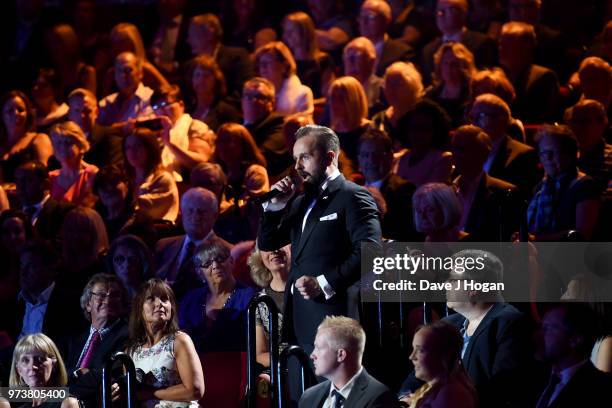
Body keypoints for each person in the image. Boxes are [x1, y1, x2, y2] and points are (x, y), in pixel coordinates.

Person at [258, 124, 381, 356]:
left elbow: (371, 252)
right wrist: (274, 208)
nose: (297, 166)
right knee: (303, 392)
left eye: (304, 157)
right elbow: (268, 243)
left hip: (335, 323)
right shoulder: (300, 201)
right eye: (295, 158)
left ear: (329, 157)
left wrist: (324, 283)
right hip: (300, 323)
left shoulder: (352, 195)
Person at [122, 278, 204, 407]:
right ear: (140, 308)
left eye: (165, 299)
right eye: (151, 299)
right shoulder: (130, 352)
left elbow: (195, 390)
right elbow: (130, 395)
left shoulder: (180, 340)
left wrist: (150, 393)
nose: (159, 304)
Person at [299, 316, 398, 407]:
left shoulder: (379, 397)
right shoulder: (308, 397)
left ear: (341, 355)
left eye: (318, 348)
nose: (312, 355)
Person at [65, 274, 129, 408]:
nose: (108, 300)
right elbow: (58, 370)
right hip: (57, 396)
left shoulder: (127, 335)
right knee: (13, 395)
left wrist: (57, 393)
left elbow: (105, 373)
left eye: (114, 295)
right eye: (101, 295)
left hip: (88, 402)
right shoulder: (73, 338)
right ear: (88, 304)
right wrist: (78, 372)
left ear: (122, 304)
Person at [179, 240, 255, 353]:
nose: (215, 266)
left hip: (236, 364)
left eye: (220, 259)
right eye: (207, 263)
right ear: (199, 272)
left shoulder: (250, 297)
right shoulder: (190, 299)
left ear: (231, 261)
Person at [155, 187, 231, 301]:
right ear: (182, 213)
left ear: (215, 216)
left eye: (202, 212)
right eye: (190, 211)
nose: (196, 217)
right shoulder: (164, 246)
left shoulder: (228, 252)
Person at [528, 125, 601, 241]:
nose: (548, 158)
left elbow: (581, 235)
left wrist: (536, 239)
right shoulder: (540, 187)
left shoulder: (585, 185)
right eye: (543, 153)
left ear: (570, 153)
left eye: (553, 152)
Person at [450, 125, 521, 241]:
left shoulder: (504, 192)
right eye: (455, 148)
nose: (457, 155)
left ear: (484, 153)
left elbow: (503, 238)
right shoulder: (444, 189)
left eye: (464, 149)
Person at [536, 302, 612, 407]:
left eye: (547, 329)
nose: (537, 335)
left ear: (575, 340)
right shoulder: (534, 378)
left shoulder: (598, 389)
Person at [469, 93, 540, 198]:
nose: (474, 123)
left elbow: (520, 198)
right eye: (472, 117)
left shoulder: (523, 155)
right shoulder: (468, 151)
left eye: (481, 116)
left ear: (501, 119)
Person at [357, 128, 420, 241]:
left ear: (390, 156)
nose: (372, 160)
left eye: (377, 154)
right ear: (359, 159)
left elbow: (405, 235)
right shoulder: (353, 188)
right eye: (366, 155)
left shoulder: (404, 190)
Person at [498, 21, 560, 123]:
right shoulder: (499, 76)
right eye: (500, 44)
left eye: (508, 45)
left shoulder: (543, 77)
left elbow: (541, 119)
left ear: (525, 48)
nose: (501, 49)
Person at [151, 85, 215, 181]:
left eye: (165, 104)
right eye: (156, 107)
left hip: (188, 186)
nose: (161, 110)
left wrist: (170, 144)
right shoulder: (155, 133)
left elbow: (202, 163)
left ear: (181, 105)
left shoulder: (194, 127)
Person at [421, 0, 497, 82]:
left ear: (463, 13)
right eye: (438, 10)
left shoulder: (482, 44)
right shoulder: (428, 50)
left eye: (448, 9)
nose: (440, 14)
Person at [406, 321, 477, 408]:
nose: (412, 357)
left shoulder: (450, 395)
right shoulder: (435, 389)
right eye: (413, 349)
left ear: (444, 355)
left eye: (420, 350)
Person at [186, 13, 255, 100]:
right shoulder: (191, 65)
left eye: (192, 35)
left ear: (209, 33)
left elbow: (243, 91)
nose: (188, 40)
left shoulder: (237, 57)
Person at [247, 244, 291, 367]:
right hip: (281, 373)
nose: (275, 250)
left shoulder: (309, 290)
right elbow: (260, 355)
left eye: (281, 243)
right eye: (267, 246)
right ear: (260, 257)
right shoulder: (259, 301)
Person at [123, 127, 179, 222]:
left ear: (150, 148)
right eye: (128, 147)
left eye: (138, 146)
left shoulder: (163, 178)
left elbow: (146, 209)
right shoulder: (126, 179)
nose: (132, 151)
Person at [9, 333, 79, 408]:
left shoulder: (67, 403)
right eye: (25, 360)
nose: (32, 366)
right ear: (18, 370)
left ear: (54, 364)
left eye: (40, 359)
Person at [394, 99, 453, 187]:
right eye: (414, 127)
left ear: (436, 131)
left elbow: (429, 195)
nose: (418, 134)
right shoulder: (400, 158)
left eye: (425, 128)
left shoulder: (441, 159)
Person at [14, 161, 75, 243]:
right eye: (18, 181)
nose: (20, 186)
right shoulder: (13, 212)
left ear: (45, 184)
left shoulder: (63, 212)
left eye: (27, 180)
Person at [241, 77, 291, 177]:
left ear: (272, 103)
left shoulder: (279, 124)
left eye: (260, 97)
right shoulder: (237, 123)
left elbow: (263, 158)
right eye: (248, 96)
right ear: (242, 101)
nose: (254, 100)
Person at [103, 22, 170, 96]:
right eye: (114, 42)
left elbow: (169, 93)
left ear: (132, 43)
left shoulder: (145, 68)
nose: (116, 46)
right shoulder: (111, 73)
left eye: (121, 41)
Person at [0, 90, 53, 182]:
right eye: (10, 111)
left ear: (28, 114)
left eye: (20, 110)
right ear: (2, 115)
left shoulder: (39, 139)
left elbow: (46, 176)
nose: (16, 113)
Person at [281, 11, 335, 98]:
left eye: (292, 31)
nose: (287, 35)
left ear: (305, 32)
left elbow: (328, 94)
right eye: (286, 31)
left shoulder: (323, 60)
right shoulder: (286, 62)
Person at [97, 52, 154, 133]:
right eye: (119, 71)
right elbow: (96, 132)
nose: (123, 75)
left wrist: (111, 129)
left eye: (128, 70)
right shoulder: (106, 103)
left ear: (140, 73)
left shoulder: (151, 98)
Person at [67, 88, 124, 169]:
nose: (82, 116)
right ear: (69, 114)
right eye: (77, 111)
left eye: (87, 111)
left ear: (96, 112)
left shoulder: (109, 136)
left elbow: (113, 171)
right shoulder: (62, 141)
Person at [254, 41, 314, 117]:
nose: (263, 67)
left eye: (267, 63)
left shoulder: (303, 94)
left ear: (284, 66)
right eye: (261, 63)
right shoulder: (256, 95)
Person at [565, 99, 612, 193]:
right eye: (573, 121)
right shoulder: (563, 156)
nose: (577, 127)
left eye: (584, 121)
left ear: (602, 124)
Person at [328, 76, 372, 176]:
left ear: (354, 100)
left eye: (340, 98)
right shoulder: (330, 134)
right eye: (333, 98)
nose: (335, 104)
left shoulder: (369, 131)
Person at [358, 0, 415, 77]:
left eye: (370, 17)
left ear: (386, 20)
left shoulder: (401, 53)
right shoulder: (352, 52)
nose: (364, 22)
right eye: (362, 17)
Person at [48, 121, 99, 207]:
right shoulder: (51, 178)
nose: (62, 147)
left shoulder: (92, 174)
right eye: (58, 143)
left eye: (67, 143)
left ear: (81, 145)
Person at [372, 62, 424, 143]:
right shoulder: (378, 120)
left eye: (398, 84)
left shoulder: (422, 117)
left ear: (411, 87)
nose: (391, 90)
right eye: (388, 84)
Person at [187, 54, 242, 132]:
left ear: (216, 80)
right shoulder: (187, 110)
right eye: (197, 75)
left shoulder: (226, 112)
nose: (201, 80)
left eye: (206, 76)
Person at [426, 42, 476, 127]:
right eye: (445, 63)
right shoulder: (432, 94)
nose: (448, 68)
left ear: (463, 67)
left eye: (454, 64)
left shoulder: (471, 92)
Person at [342, 37, 384, 113]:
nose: (351, 62)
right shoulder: (338, 90)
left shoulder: (382, 89)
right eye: (348, 57)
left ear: (371, 62)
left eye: (356, 56)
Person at [106, 234, 155, 299]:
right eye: (119, 259)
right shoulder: (106, 296)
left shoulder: (156, 294)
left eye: (133, 259)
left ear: (143, 262)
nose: (126, 265)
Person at [31, 68, 69, 133]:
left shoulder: (67, 115)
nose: (36, 88)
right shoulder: (29, 118)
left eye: (43, 85)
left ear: (55, 89)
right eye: (35, 85)